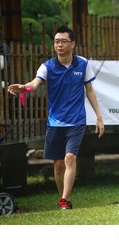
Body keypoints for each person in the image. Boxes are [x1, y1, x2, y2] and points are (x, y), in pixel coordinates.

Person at [8, 25, 105, 209]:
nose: (59, 45)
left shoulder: (83, 64)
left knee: (69, 158)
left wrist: (99, 117)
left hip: (76, 121)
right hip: (55, 122)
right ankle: (64, 197)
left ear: (73, 44)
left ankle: (64, 201)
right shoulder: (47, 66)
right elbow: (35, 83)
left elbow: (90, 91)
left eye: (63, 41)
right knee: (59, 164)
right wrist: (24, 88)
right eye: (56, 41)